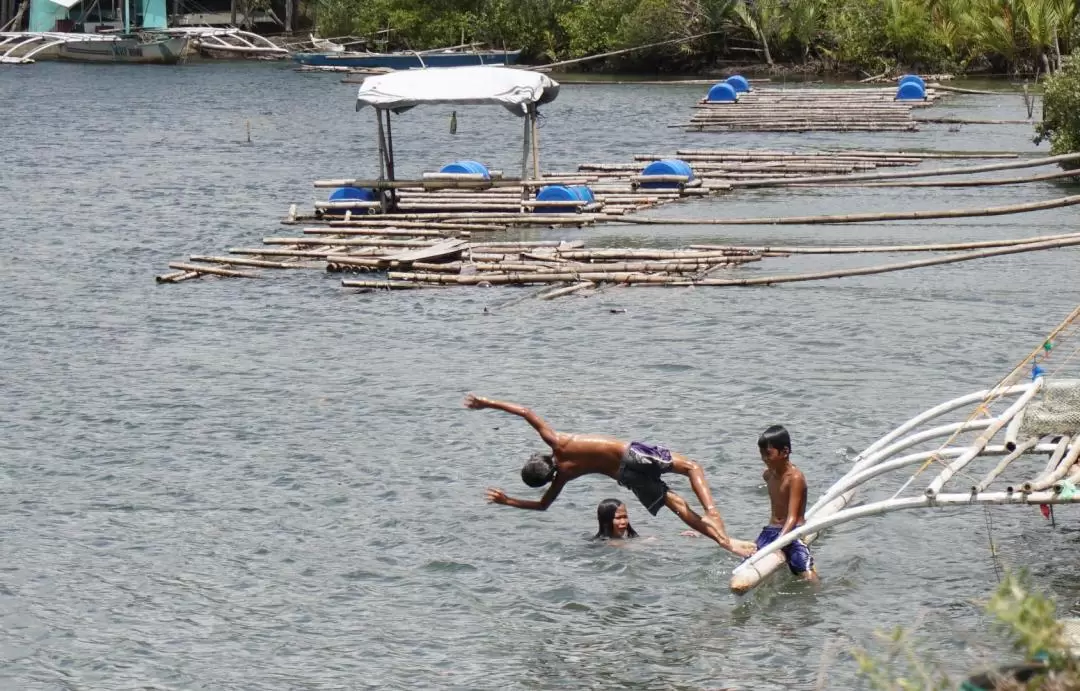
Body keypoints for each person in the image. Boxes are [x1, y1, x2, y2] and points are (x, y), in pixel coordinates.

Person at [464, 393, 757, 558]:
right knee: (692, 467)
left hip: (624, 476)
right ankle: (713, 513)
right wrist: (488, 403)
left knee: (677, 506)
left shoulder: (562, 477)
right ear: (537, 457)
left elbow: (542, 506)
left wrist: (507, 501)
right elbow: (526, 410)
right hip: (629, 453)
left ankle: (727, 544)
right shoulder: (556, 442)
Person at [754, 424, 818, 581]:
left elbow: (792, 517)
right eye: (761, 454)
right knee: (749, 561)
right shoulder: (768, 475)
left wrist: (779, 542)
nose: (764, 459)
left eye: (768, 454)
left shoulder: (795, 478)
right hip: (770, 530)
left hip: (793, 531)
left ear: (785, 452)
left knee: (806, 572)